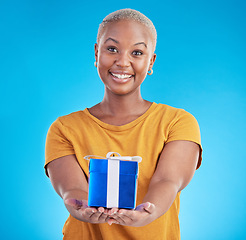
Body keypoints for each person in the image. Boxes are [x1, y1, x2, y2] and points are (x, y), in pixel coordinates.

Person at [45, 8, 202, 240]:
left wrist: (150, 211)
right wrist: (83, 207)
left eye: (137, 52)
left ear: (151, 62)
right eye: (111, 49)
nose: (122, 62)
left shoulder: (177, 122)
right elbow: (72, 188)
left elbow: (168, 180)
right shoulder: (64, 128)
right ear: (97, 53)